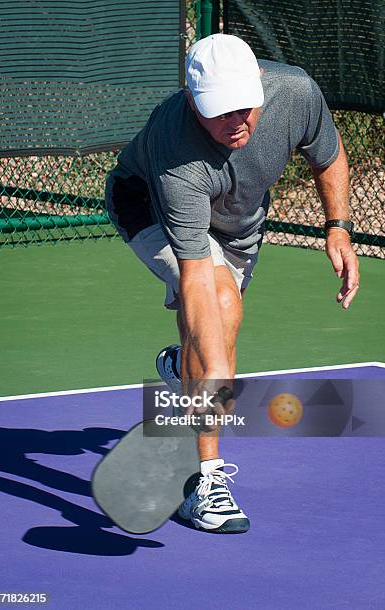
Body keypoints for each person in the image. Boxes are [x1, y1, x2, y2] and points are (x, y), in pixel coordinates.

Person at [105, 34, 360, 534]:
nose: (237, 120)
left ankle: (186, 368)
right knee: (218, 308)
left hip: (240, 224)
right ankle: (207, 482)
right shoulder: (175, 149)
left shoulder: (295, 93)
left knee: (218, 330)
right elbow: (198, 273)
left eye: (245, 106)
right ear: (192, 102)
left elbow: (327, 155)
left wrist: (338, 227)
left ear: (261, 88)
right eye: (219, 111)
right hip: (148, 207)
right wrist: (218, 367)